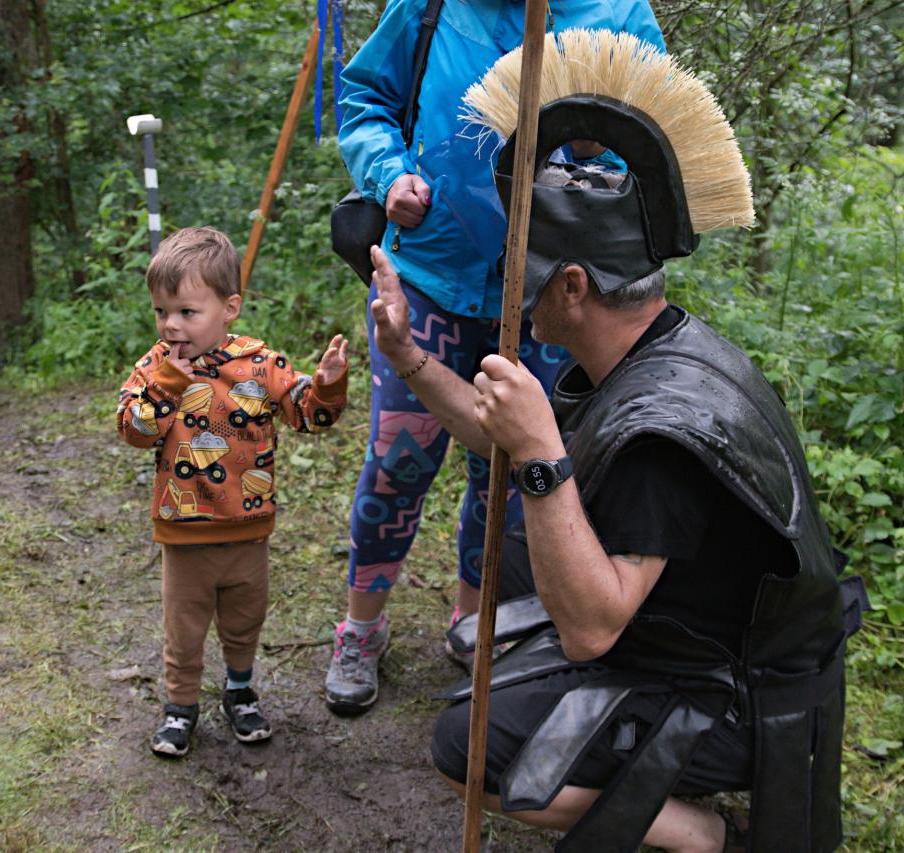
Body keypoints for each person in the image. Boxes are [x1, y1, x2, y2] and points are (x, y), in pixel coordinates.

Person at [372, 32, 865, 853]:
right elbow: (500, 436)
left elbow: (591, 631)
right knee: (500, 596)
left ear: (573, 285)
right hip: (690, 640)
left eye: (525, 272)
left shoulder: (661, 433)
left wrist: (541, 456)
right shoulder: (654, 348)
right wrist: (408, 358)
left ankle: (703, 835)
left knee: (467, 749)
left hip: (733, 696)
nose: (514, 295)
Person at [325, 0, 668, 716]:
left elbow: (656, 150)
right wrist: (389, 174)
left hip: (551, 298)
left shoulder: (617, 12)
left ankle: (477, 622)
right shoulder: (432, 4)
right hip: (430, 280)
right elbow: (365, 99)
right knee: (397, 462)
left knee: (512, 475)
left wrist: (586, 160)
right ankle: (361, 626)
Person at [116, 227, 350, 756]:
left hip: (248, 529)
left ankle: (240, 692)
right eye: (161, 312)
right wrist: (169, 385)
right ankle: (180, 707)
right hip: (185, 531)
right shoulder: (154, 368)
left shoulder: (261, 364)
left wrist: (328, 384)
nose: (171, 325)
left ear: (229, 309)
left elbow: (308, 415)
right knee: (184, 629)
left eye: (187, 312)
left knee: (245, 621)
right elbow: (133, 430)